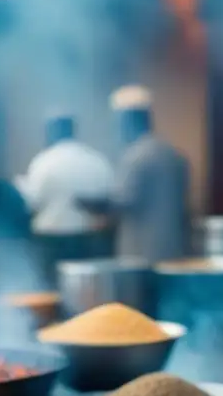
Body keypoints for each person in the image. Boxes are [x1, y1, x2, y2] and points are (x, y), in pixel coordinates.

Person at [77, 86, 191, 264]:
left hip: (143, 254)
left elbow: (122, 202)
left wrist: (90, 203)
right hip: (177, 250)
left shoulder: (135, 156)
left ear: (127, 120)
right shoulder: (173, 155)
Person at [19, 113, 114, 234]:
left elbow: (33, 202)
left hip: (53, 237)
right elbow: (109, 200)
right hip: (90, 236)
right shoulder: (96, 159)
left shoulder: (43, 162)